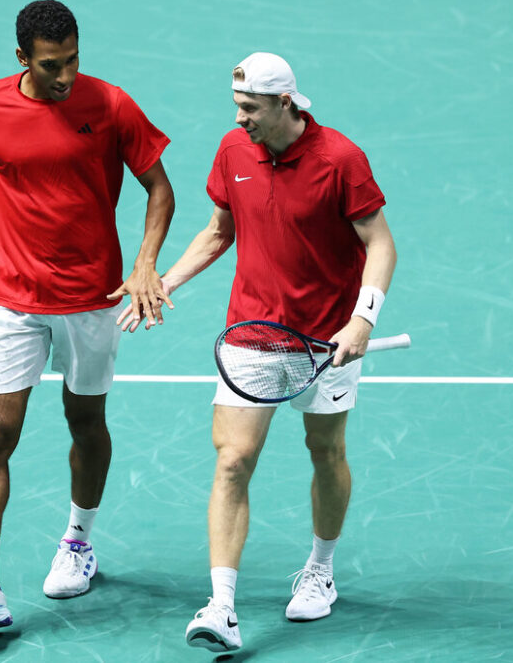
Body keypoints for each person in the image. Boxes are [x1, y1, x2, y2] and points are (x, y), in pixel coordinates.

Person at [122, 52, 396, 652]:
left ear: (285, 104)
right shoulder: (233, 149)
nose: (239, 116)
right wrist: (164, 283)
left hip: (326, 339)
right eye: (236, 105)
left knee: (325, 450)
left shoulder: (340, 160)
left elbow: (379, 243)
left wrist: (362, 320)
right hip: (251, 334)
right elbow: (220, 231)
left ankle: (321, 568)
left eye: (250, 107)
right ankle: (221, 606)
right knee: (231, 460)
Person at [0, 0, 175, 630]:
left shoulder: (111, 105)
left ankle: (78, 544)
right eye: (49, 65)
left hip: (92, 299)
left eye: (72, 60)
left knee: (84, 421)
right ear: (21, 59)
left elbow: (160, 188)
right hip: (10, 295)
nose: (64, 76)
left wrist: (145, 264)